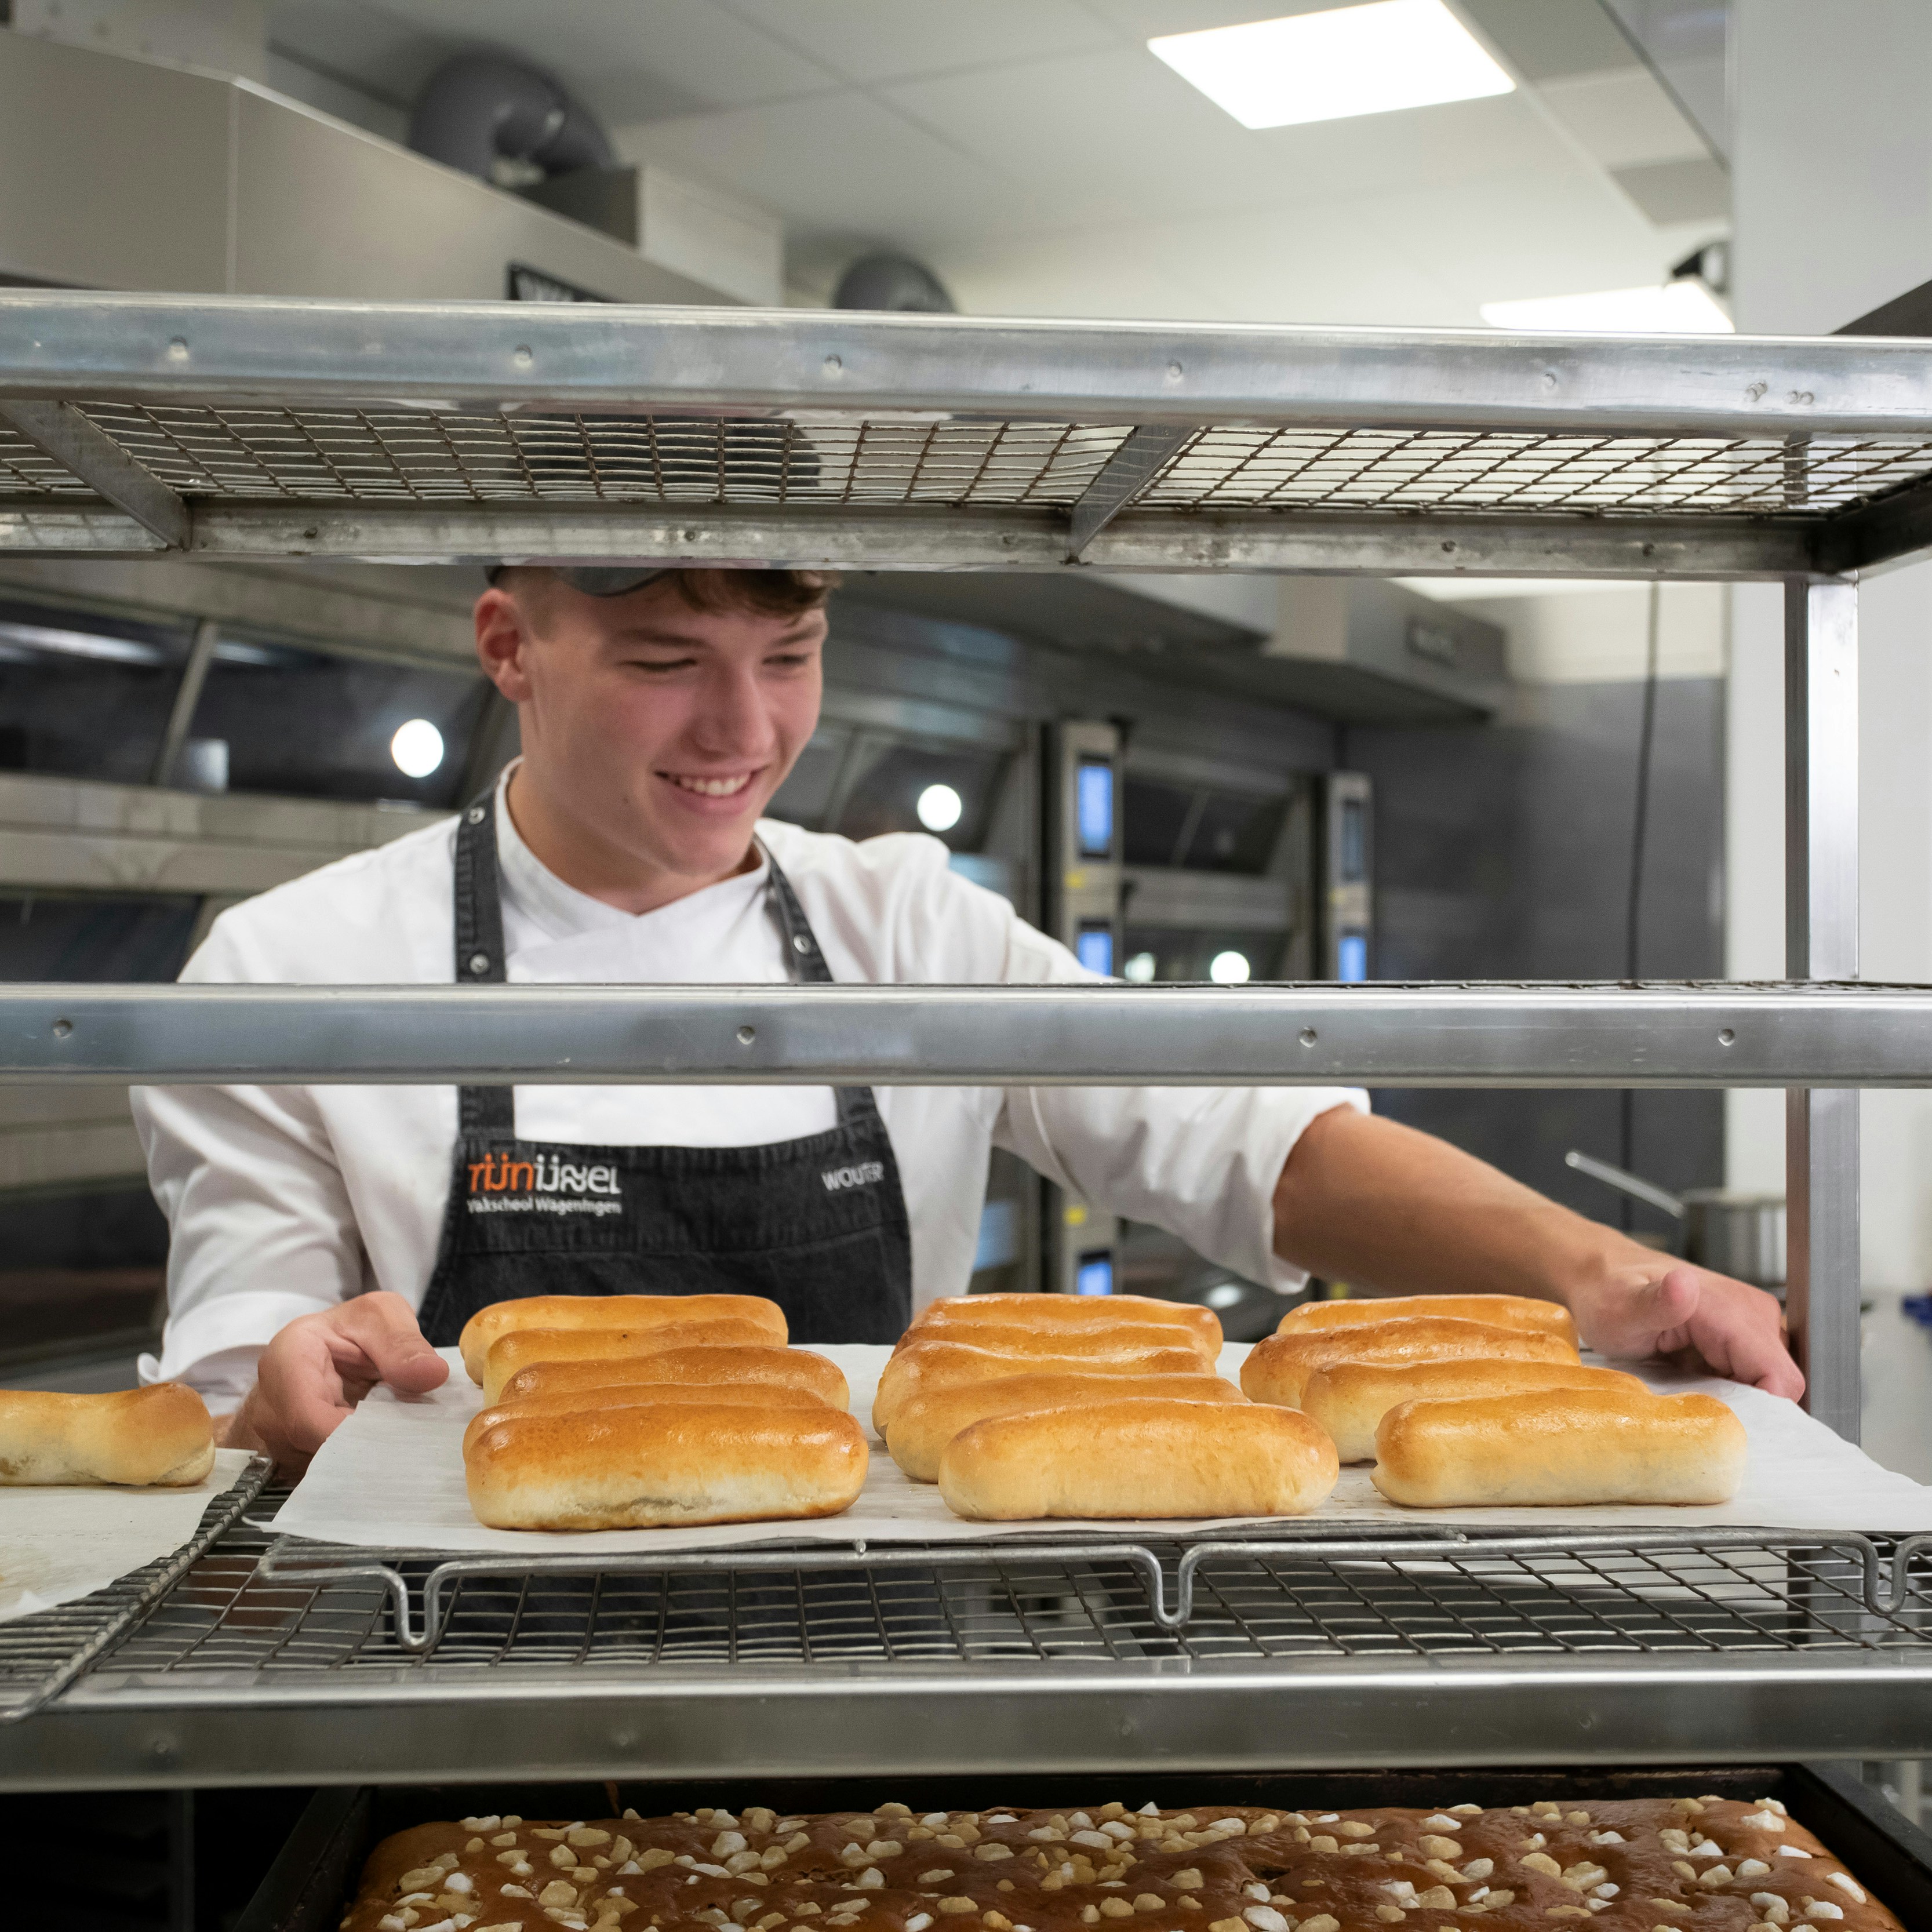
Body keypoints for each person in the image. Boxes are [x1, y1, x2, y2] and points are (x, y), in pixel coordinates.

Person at [132, 566, 1801, 1471]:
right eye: (664, 661)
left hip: (872, 1645)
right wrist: (270, 1385)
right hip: (455, 1662)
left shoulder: (903, 926)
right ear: (510, 645)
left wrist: (1606, 1273)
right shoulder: (295, 968)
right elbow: (243, 1356)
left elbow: (1248, 1137)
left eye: (791, 655)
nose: (744, 729)